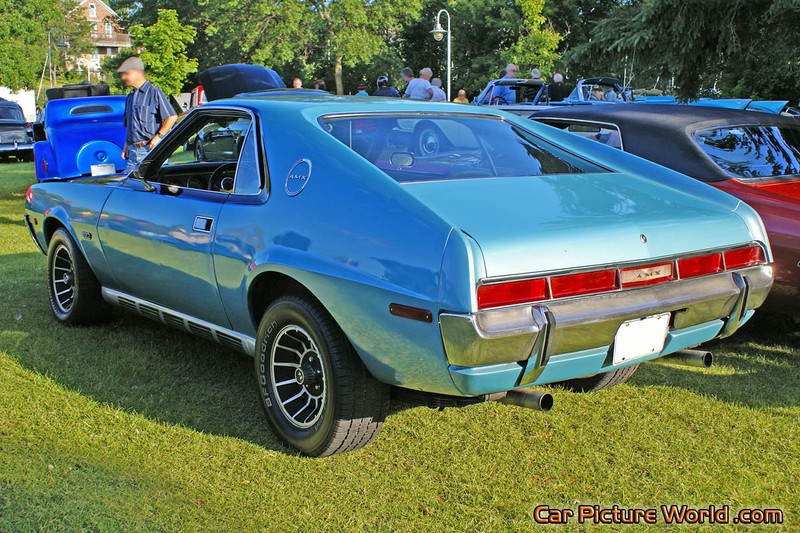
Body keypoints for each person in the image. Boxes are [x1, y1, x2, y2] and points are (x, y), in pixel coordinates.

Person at [118, 56, 177, 173]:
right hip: (133, 152)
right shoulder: (130, 97)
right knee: (129, 186)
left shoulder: (154, 92)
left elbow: (172, 116)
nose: (123, 77)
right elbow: (130, 125)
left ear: (137, 72)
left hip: (150, 151)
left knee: (153, 188)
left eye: (126, 73)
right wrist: (126, 146)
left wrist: (157, 138)